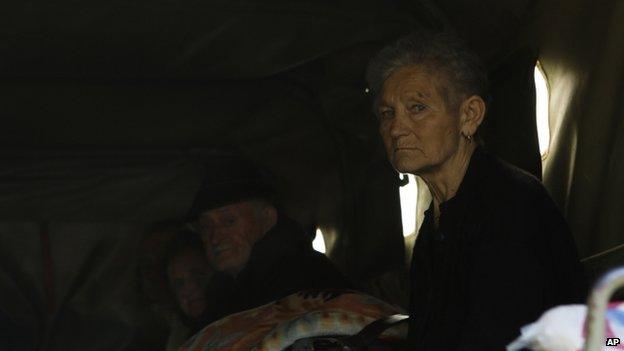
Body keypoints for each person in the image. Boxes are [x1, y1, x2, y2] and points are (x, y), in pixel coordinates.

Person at [365, 30, 586, 350]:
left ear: (469, 116)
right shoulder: (436, 222)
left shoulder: (510, 204)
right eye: (387, 114)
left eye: (417, 108)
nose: (396, 128)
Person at [186, 154, 350, 318]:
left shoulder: (302, 281)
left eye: (229, 221)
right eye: (206, 227)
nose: (215, 238)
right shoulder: (225, 294)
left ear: (267, 218)